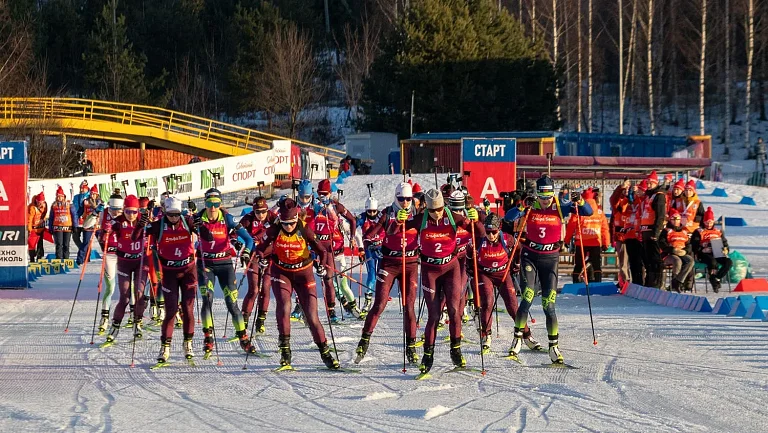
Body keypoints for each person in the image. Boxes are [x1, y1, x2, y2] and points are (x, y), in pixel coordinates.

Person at [503, 175, 592, 364]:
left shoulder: (560, 206)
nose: (545, 201)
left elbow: (588, 212)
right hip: (530, 257)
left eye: (548, 196)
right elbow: (508, 218)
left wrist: (581, 200)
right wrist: (522, 206)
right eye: (542, 197)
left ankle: (554, 347)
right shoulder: (531, 205)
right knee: (527, 297)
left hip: (550, 259)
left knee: (549, 305)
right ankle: (517, 340)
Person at [404, 188, 482, 374]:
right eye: (433, 210)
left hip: (450, 268)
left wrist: (476, 219)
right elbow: (394, 230)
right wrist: (399, 221)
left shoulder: (453, 217)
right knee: (434, 315)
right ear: (427, 208)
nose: (437, 213)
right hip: (430, 270)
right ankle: (427, 356)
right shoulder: (421, 219)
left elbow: (479, 233)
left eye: (440, 209)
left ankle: (456, 350)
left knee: (454, 311)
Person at [255, 198, 340, 370]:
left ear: (296, 219)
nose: (288, 227)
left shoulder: (304, 228)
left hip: (304, 273)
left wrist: (322, 267)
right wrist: (262, 259)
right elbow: (260, 248)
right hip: (282, 272)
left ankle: (325, 353)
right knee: (284, 307)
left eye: (292, 223)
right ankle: (285, 354)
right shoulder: (274, 229)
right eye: (285, 224)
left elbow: (322, 251)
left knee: (312, 316)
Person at [355, 182, 420, 365]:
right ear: (395, 198)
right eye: (401, 199)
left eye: (408, 199)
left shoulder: (417, 213)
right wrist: (372, 246)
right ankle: (364, 341)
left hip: (410, 264)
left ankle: (411, 348)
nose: (405, 203)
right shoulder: (387, 213)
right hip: (390, 263)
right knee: (380, 304)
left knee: (409, 307)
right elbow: (369, 235)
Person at [135, 197, 202, 365]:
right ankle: (165, 348)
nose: (174, 218)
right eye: (170, 215)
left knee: (188, 308)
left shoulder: (187, 221)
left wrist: (201, 225)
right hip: (169, 273)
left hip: (188, 271)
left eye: (176, 214)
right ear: (165, 212)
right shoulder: (158, 225)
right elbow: (136, 238)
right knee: (171, 310)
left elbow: (207, 237)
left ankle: (188, 343)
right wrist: (140, 225)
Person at [195, 188, 257, 356]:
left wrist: (246, 252)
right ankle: (208, 338)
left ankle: (243, 338)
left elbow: (249, 239)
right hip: (205, 264)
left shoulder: (227, 218)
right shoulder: (198, 218)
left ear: (220, 204)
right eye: (209, 203)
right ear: (205, 203)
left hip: (225, 264)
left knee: (232, 303)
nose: (212, 208)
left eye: (216, 204)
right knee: (207, 299)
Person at [475, 213, 539, 354]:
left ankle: (527, 336)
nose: (490, 235)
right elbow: (469, 253)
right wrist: (469, 269)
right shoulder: (480, 239)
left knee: (513, 306)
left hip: (503, 274)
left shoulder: (507, 239)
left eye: (493, 232)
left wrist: (516, 264)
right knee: (487, 302)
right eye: (488, 232)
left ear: (499, 229)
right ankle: (486, 335)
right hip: (485, 274)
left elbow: (519, 248)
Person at [309, 179, 360, 322]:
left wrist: (352, 238)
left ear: (330, 193)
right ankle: (329, 312)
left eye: (325, 194)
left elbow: (352, 220)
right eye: (320, 193)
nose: (322, 196)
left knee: (337, 282)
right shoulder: (315, 206)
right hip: (319, 250)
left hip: (333, 250)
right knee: (325, 280)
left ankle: (349, 308)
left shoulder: (336, 206)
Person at [102, 195, 148, 345]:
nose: (131, 215)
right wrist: (106, 231)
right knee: (125, 297)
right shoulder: (118, 221)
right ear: (124, 210)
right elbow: (104, 236)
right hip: (124, 263)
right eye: (128, 211)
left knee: (139, 294)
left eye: (134, 211)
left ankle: (137, 323)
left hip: (141, 262)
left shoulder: (143, 220)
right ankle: (114, 327)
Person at [239, 197, 273, 334]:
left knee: (265, 288)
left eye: (263, 211)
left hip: (269, 256)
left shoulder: (272, 217)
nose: (261, 214)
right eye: (258, 212)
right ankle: (243, 322)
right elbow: (235, 232)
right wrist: (237, 242)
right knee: (254, 289)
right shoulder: (248, 219)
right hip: (253, 255)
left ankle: (260, 321)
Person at [91, 193, 122, 334]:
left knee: (129, 287)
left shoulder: (128, 215)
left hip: (124, 255)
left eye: (118, 210)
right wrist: (94, 214)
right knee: (110, 287)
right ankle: (104, 318)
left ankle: (134, 318)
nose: (115, 213)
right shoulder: (103, 213)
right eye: (113, 209)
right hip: (109, 254)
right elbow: (86, 225)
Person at [565, 188, 610, 283]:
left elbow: (571, 226)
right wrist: (606, 243)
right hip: (595, 242)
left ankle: (575, 283)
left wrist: (567, 240)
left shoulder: (578, 211)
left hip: (581, 242)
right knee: (596, 265)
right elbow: (605, 229)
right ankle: (598, 282)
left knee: (578, 264)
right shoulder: (600, 212)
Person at [354, 196, 385, 317]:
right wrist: (357, 244)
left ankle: (380, 300)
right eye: (369, 211)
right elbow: (352, 226)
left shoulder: (382, 216)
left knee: (381, 275)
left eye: (374, 211)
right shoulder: (362, 217)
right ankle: (367, 302)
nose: (372, 214)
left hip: (382, 249)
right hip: (369, 250)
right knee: (372, 276)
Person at [692, 207, 732, 293]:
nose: (709, 224)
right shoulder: (699, 231)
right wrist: (702, 249)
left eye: (710, 222)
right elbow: (694, 245)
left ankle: (715, 278)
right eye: (707, 222)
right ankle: (714, 282)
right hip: (704, 254)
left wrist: (726, 250)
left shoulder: (718, 232)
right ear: (703, 222)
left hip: (717, 252)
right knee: (712, 262)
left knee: (728, 262)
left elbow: (725, 244)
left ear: (713, 221)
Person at [640, 171, 667, 289]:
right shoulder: (649, 196)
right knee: (648, 259)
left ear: (656, 183)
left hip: (652, 232)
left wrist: (656, 232)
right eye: (648, 183)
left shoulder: (659, 196)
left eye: (651, 183)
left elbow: (660, 215)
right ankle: (650, 282)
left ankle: (657, 283)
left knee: (655, 259)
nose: (649, 185)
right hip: (645, 231)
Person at [658, 209, 694, 293]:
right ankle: (674, 280)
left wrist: (685, 251)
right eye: (673, 219)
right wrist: (672, 250)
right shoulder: (666, 231)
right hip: (669, 254)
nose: (675, 221)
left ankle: (677, 282)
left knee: (690, 260)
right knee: (677, 261)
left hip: (682, 253)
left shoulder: (684, 231)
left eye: (677, 219)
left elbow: (689, 245)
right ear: (670, 220)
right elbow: (662, 243)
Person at [609, 179, 632, 286]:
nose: (626, 191)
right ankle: (625, 282)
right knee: (623, 262)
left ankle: (633, 281)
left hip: (633, 236)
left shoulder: (633, 202)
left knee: (633, 261)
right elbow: (613, 199)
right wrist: (621, 187)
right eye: (625, 190)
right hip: (621, 236)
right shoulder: (618, 204)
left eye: (628, 189)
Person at [77, 185, 102, 265]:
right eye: (91, 193)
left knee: (102, 241)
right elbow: (80, 211)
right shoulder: (85, 201)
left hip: (97, 226)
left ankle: (107, 257)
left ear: (97, 194)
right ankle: (80, 260)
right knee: (85, 243)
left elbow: (103, 213)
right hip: (88, 225)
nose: (92, 195)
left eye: (94, 194)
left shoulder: (100, 202)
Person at [49, 187, 76, 260]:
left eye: (60, 196)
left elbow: (74, 215)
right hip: (57, 227)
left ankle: (66, 258)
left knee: (66, 244)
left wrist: (75, 226)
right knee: (59, 244)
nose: (59, 198)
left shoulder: (69, 204)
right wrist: (50, 227)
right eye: (57, 196)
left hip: (67, 227)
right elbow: (51, 217)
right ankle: (58, 258)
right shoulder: (54, 205)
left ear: (63, 196)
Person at [27, 192, 47, 263]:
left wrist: (43, 219)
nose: (40, 204)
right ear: (36, 201)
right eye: (39, 202)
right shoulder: (32, 208)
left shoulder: (45, 205)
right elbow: (29, 220)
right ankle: (32, 259)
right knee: (32, 245)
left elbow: (45, 214)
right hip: (33, 229)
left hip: (40, 228)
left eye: (42, 202)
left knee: (40, 244)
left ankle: (39, 257)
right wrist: (30, 230)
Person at [72, 180, 90, 250]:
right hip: (78, 221)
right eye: (81, 188)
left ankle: (86, 252)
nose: (82, 189)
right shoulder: (76, 197)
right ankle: (83, 250)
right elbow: (74, 209)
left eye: (84, 188)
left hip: (87, 221)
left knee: (87, 240)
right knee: (75, 237)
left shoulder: (91, 197)